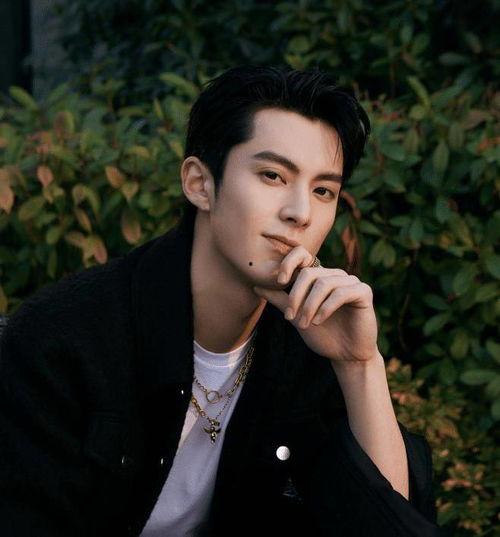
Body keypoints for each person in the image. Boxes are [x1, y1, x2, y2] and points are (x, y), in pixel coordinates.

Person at [0, 65, 444, 536]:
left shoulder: (310, 343)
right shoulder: (64, 339)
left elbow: (389, 528)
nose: (300, 213)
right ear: (199, 183)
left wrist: (359, 365)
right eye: (272, 175)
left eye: (323, 190)